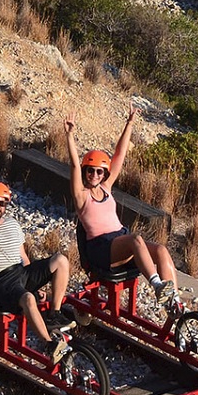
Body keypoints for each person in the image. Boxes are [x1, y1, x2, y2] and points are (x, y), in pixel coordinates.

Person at [66, 110, 180, 307]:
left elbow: (119, 155)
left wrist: (129, 124)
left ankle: (174, 303)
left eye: (99, 171)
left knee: (161, 250)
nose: (94, 174)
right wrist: (69, 136)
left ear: (104, 174)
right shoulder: (81, 195)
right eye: (90, 170)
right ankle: (157, 286)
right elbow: (75, 166)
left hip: (119, 240)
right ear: (86, 171)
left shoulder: (106, 187)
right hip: (101, 248)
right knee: (136, 239)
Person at [0, 173, 71, 358]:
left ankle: (55, 313)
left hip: (19, 274)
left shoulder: (12, 224)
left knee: (60, 260)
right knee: (27, 298)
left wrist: (34, 284)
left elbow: (23, 258)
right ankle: (49, 345)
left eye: (1, 203)